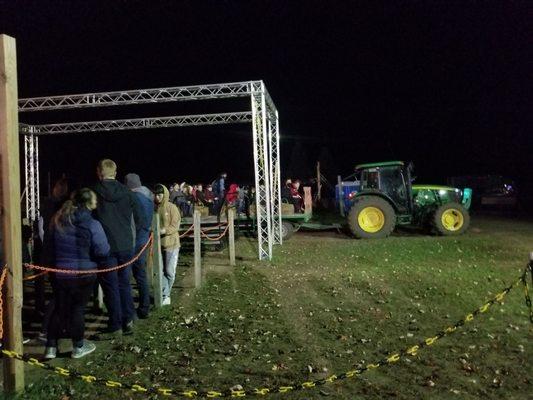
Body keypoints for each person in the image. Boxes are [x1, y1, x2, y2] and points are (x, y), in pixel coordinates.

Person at [43, 188, 110, 359]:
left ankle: (50, 347)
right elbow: (103, 250)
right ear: (88, 203)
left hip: (60, 272)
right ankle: (78, 347)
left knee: (59, 308)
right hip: (83, 273)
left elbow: (48, 245)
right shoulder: (92, 224)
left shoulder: (57, 219)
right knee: (77, 309)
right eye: (95, 199)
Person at [93, 159, 145, 338]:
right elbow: (140, 217)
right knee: (124, 283)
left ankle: (115, 324)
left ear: (99, 172)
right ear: (115, 173)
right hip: (125, 245)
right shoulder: (127, 192)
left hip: (105, 246)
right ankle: (128, 319)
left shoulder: (94, 192)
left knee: (110, 286)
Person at [124, 173, 154, 319]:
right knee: (141, 275)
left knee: (126, 277)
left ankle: (129, 312)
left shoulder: (133, 198)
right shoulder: (148, 197)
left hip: (133, 240)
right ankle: (144, 307)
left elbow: (134, 221)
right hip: (144, 239)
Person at [154, 184, 181, 306]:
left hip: (172, 245)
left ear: (164, 195)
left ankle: (166, 295)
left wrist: (163, 231)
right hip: (158, 245)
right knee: (160, 271)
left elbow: (175, 225)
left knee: (169, 272)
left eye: (159, 195)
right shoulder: (155, 209)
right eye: (155, 195)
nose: (157, 197)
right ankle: (165, 294)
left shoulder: (172, 207)